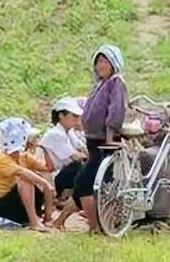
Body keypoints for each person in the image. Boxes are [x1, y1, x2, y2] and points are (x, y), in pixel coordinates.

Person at [74, 44, 129, 233]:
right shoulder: (100, 84)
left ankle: (95, 226)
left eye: (105, 61)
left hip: (103, 142)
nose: (101, 65)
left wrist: (110, 137)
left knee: (84, 183)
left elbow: (115, 112)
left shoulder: (116, 82)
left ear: (114, 63)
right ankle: (98, 224)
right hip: (93, 140)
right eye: (98, 61)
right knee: (98, 184)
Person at [0, 118, 55, 232]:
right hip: (0, 203)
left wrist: (44, 148)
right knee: (26, 180)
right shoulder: (2, 159)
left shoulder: (24, 157)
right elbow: (22, 172)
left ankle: (47, 218)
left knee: (42, 177)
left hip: (17, 202)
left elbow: (49, 168)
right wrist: (45, 184)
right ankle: (34, 222)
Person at [40, 96, 89, 229]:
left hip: (61, 173)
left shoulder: (69, 132)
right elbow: (75, 156)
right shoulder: (56, 134)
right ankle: (64, 197)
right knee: (81, 167)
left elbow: (82, 148)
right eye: (74, 116)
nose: (77, 120)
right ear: (61, 115)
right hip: (53, 176)